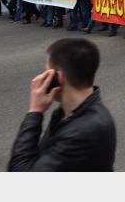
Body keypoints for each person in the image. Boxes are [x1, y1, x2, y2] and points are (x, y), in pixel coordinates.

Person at [8, 38, 116, 171]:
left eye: (46, 72)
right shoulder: (68, 111)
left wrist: (35, 112)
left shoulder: (83, 132)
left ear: (57, 78)